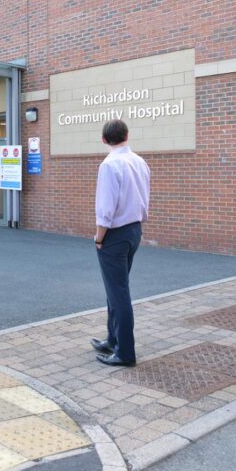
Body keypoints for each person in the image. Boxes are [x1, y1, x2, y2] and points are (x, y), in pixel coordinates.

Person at [89, 120, 150, 367]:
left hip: (114, 234)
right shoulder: (140, 162)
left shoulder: (109, 165)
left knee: (118, 292)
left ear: (104, 140)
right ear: (127, 135)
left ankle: (125, 352)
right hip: (134, 230)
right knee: (116, 289)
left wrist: (99, 237)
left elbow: (106, 208)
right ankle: (113, 339)